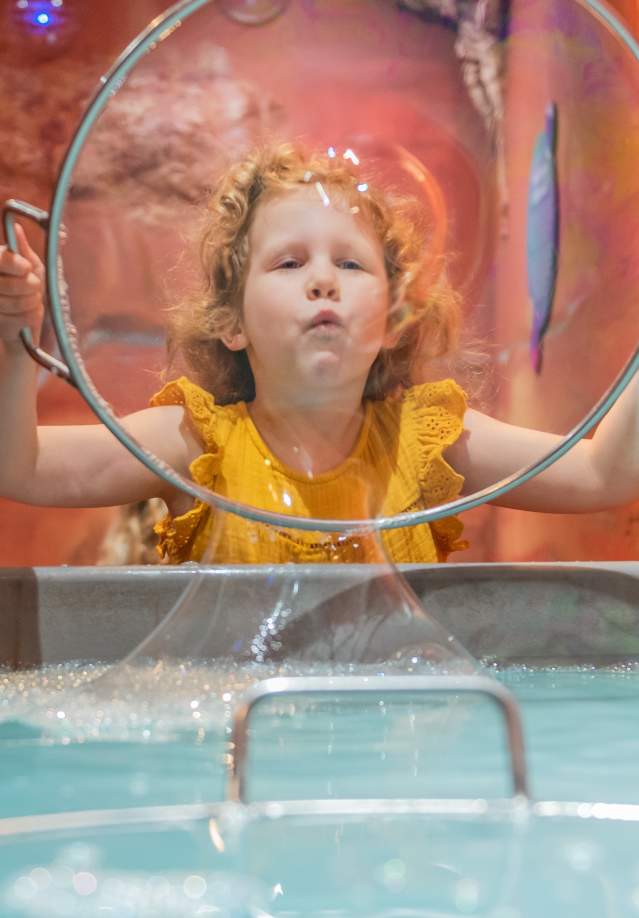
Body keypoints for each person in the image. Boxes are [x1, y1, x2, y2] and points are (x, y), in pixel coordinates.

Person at [0, 144, 637, 565]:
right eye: (290, 262)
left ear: (392, 321)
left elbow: (607, 475)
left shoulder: (427, 439)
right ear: (231, 323)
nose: (324, 280)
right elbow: (18, 468)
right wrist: (12, 342)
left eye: (351, 263)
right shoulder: (194, 444)